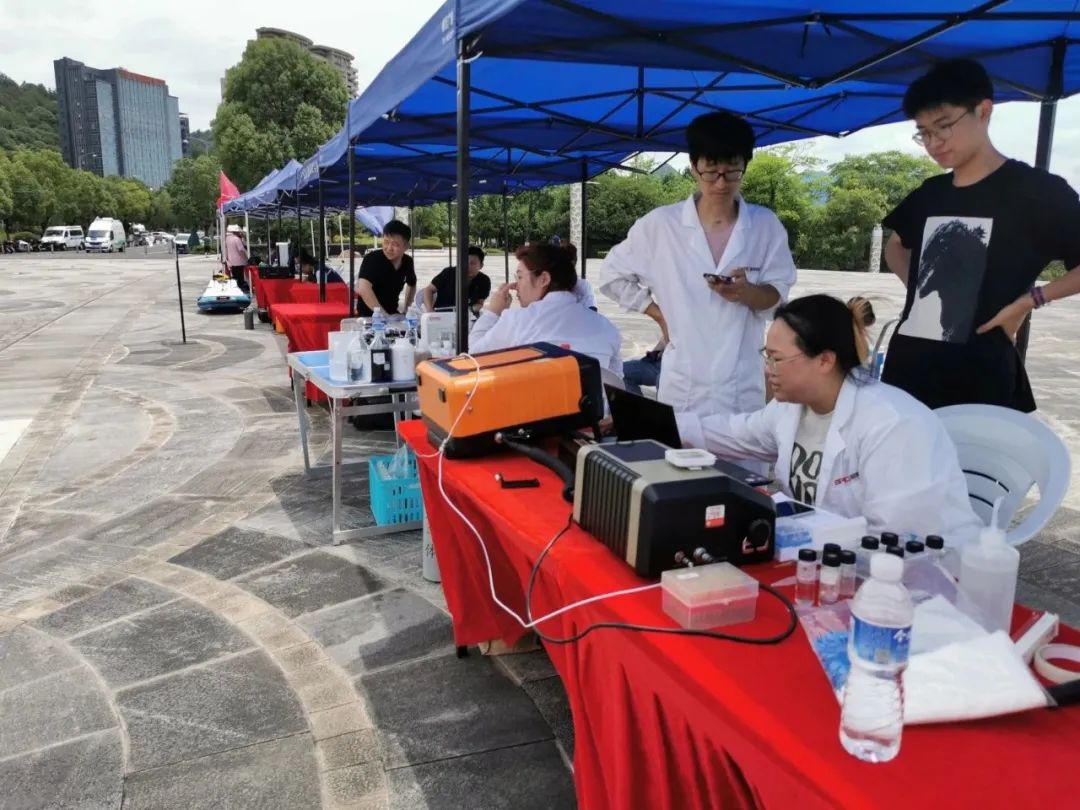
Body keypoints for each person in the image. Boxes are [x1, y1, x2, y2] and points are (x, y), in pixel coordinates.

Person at [677, 295, 983, 544]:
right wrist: (664, 423)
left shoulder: (893, 425)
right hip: (829, 560)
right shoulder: (792, 408)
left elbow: (900, 539)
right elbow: (736, 433)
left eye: (777, 358)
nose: (768, 369)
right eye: (766, 356)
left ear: (825, 360)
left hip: (925, 576)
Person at [881, 59, 1080, 412]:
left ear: (984, 111)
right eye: (923, 132)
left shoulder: (1037, 192)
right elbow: (895, 244)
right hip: (907, 370)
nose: (933, 142)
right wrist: (920, 287)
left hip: (981, 376)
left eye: (944, 126)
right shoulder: (931, 193)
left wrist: (1030, 300)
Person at [599, 110, 797, 421]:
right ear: (694, 167)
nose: (721, 183)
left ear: (745, 166)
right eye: (711, 171)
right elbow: (612, 276)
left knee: (742, 452)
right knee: (680, 451)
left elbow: (778, 293)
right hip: (684, 386)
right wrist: (660, 315)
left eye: (732, 171)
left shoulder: (764, 226)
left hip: (740, 385)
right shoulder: (661, 226)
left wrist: (747, 293)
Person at [470, 242, 623, 376]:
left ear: (544, 279)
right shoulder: (607, 328)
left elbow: (474, 357)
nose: (515, 285)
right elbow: (615, 380)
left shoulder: (517, 321)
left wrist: (493, 312)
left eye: (520, 277)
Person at [356, 220, 416, 316]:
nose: (389, 248)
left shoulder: (407, 262)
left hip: (392, 314)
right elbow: (363, 288)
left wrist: (407, 309)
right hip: (369, 316)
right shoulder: (372, 259)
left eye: (395, 244)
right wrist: (384, 316)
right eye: (386, 242)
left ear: (406, 246)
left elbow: (412, 284)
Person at [422, 246, 492, 312]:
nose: (467, 266)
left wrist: (474, 308)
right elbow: (428, 289)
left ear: (481, 266)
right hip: (442, 313)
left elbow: (480, 302)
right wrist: (430, 310)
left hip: (468, 315)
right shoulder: (449, 272)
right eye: (465, 262)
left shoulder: (484, 280)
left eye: (472, 263)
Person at [224, 225, 249, 293]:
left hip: (231, 261)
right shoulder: (236, 239)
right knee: (240, 277)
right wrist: (246, 258)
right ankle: (241, 290)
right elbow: (241, 250)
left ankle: (236, 290)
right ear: (235, 232)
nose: (239, 233)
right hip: (239, 261)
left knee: (235, 276)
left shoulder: (227, 239)